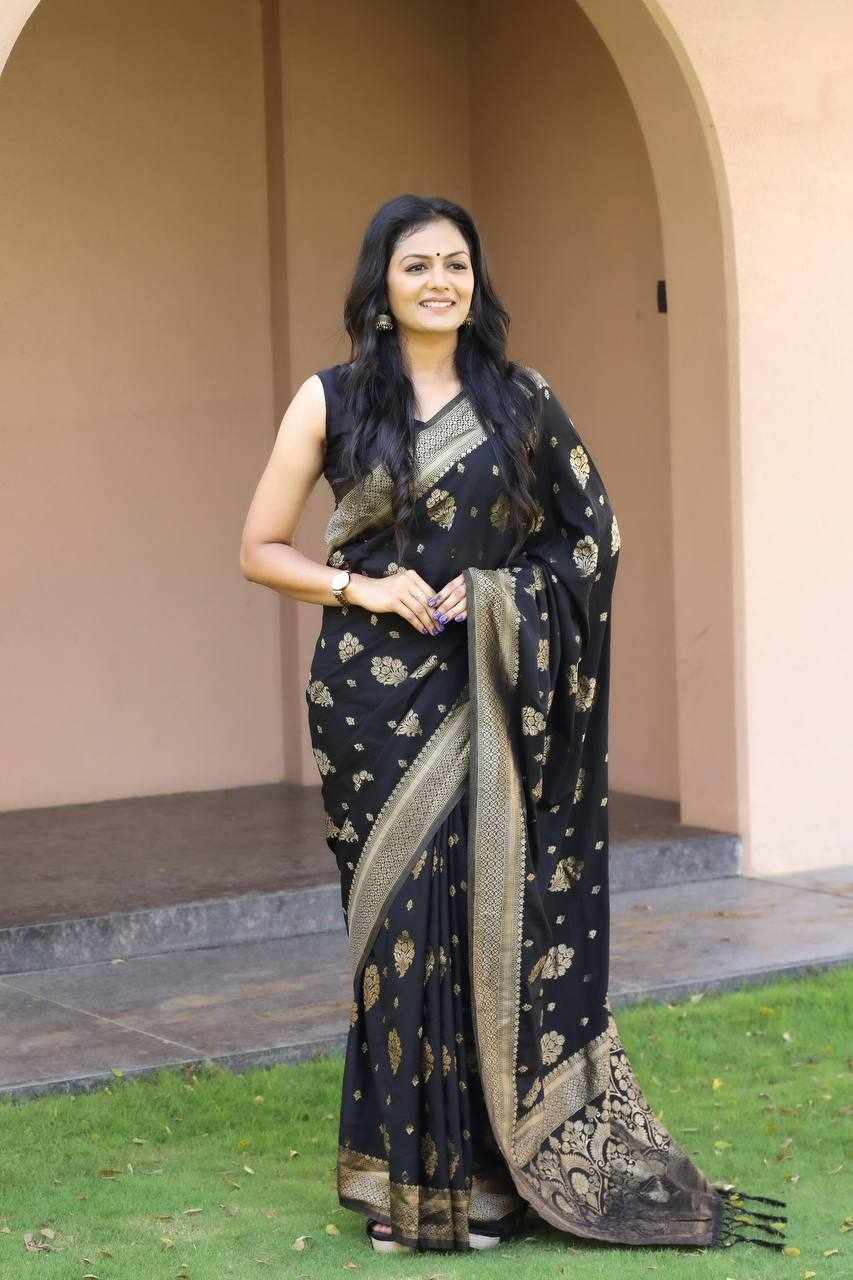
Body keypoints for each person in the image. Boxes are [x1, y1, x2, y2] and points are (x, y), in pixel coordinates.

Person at [239, 194, 786, 1256]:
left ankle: (488, 1178)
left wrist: (499, 595)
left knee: (486, 922)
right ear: (380, 283)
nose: (439, 281)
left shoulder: (521, 399)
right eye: (416, 265)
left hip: (490, 690)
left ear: (476, 281)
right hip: (370, 704)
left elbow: (594, 540)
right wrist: (363, 588)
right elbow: (259, 547)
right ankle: (403, 1183)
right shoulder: (332, 400)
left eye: (456, 263)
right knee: (398, 936)